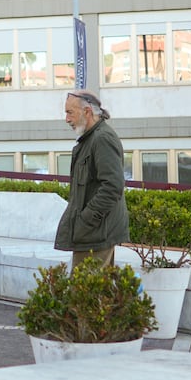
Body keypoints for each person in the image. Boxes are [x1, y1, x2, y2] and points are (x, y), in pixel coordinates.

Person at [54, 90, 129, 268]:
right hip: (92, 233)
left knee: (81, 292)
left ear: (87, 112)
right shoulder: (90, 139)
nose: (67, 119)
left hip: (96, 234)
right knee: (98, 292)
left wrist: (86, 220)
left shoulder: (102, 138)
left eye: (70, 112)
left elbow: (113, 187)